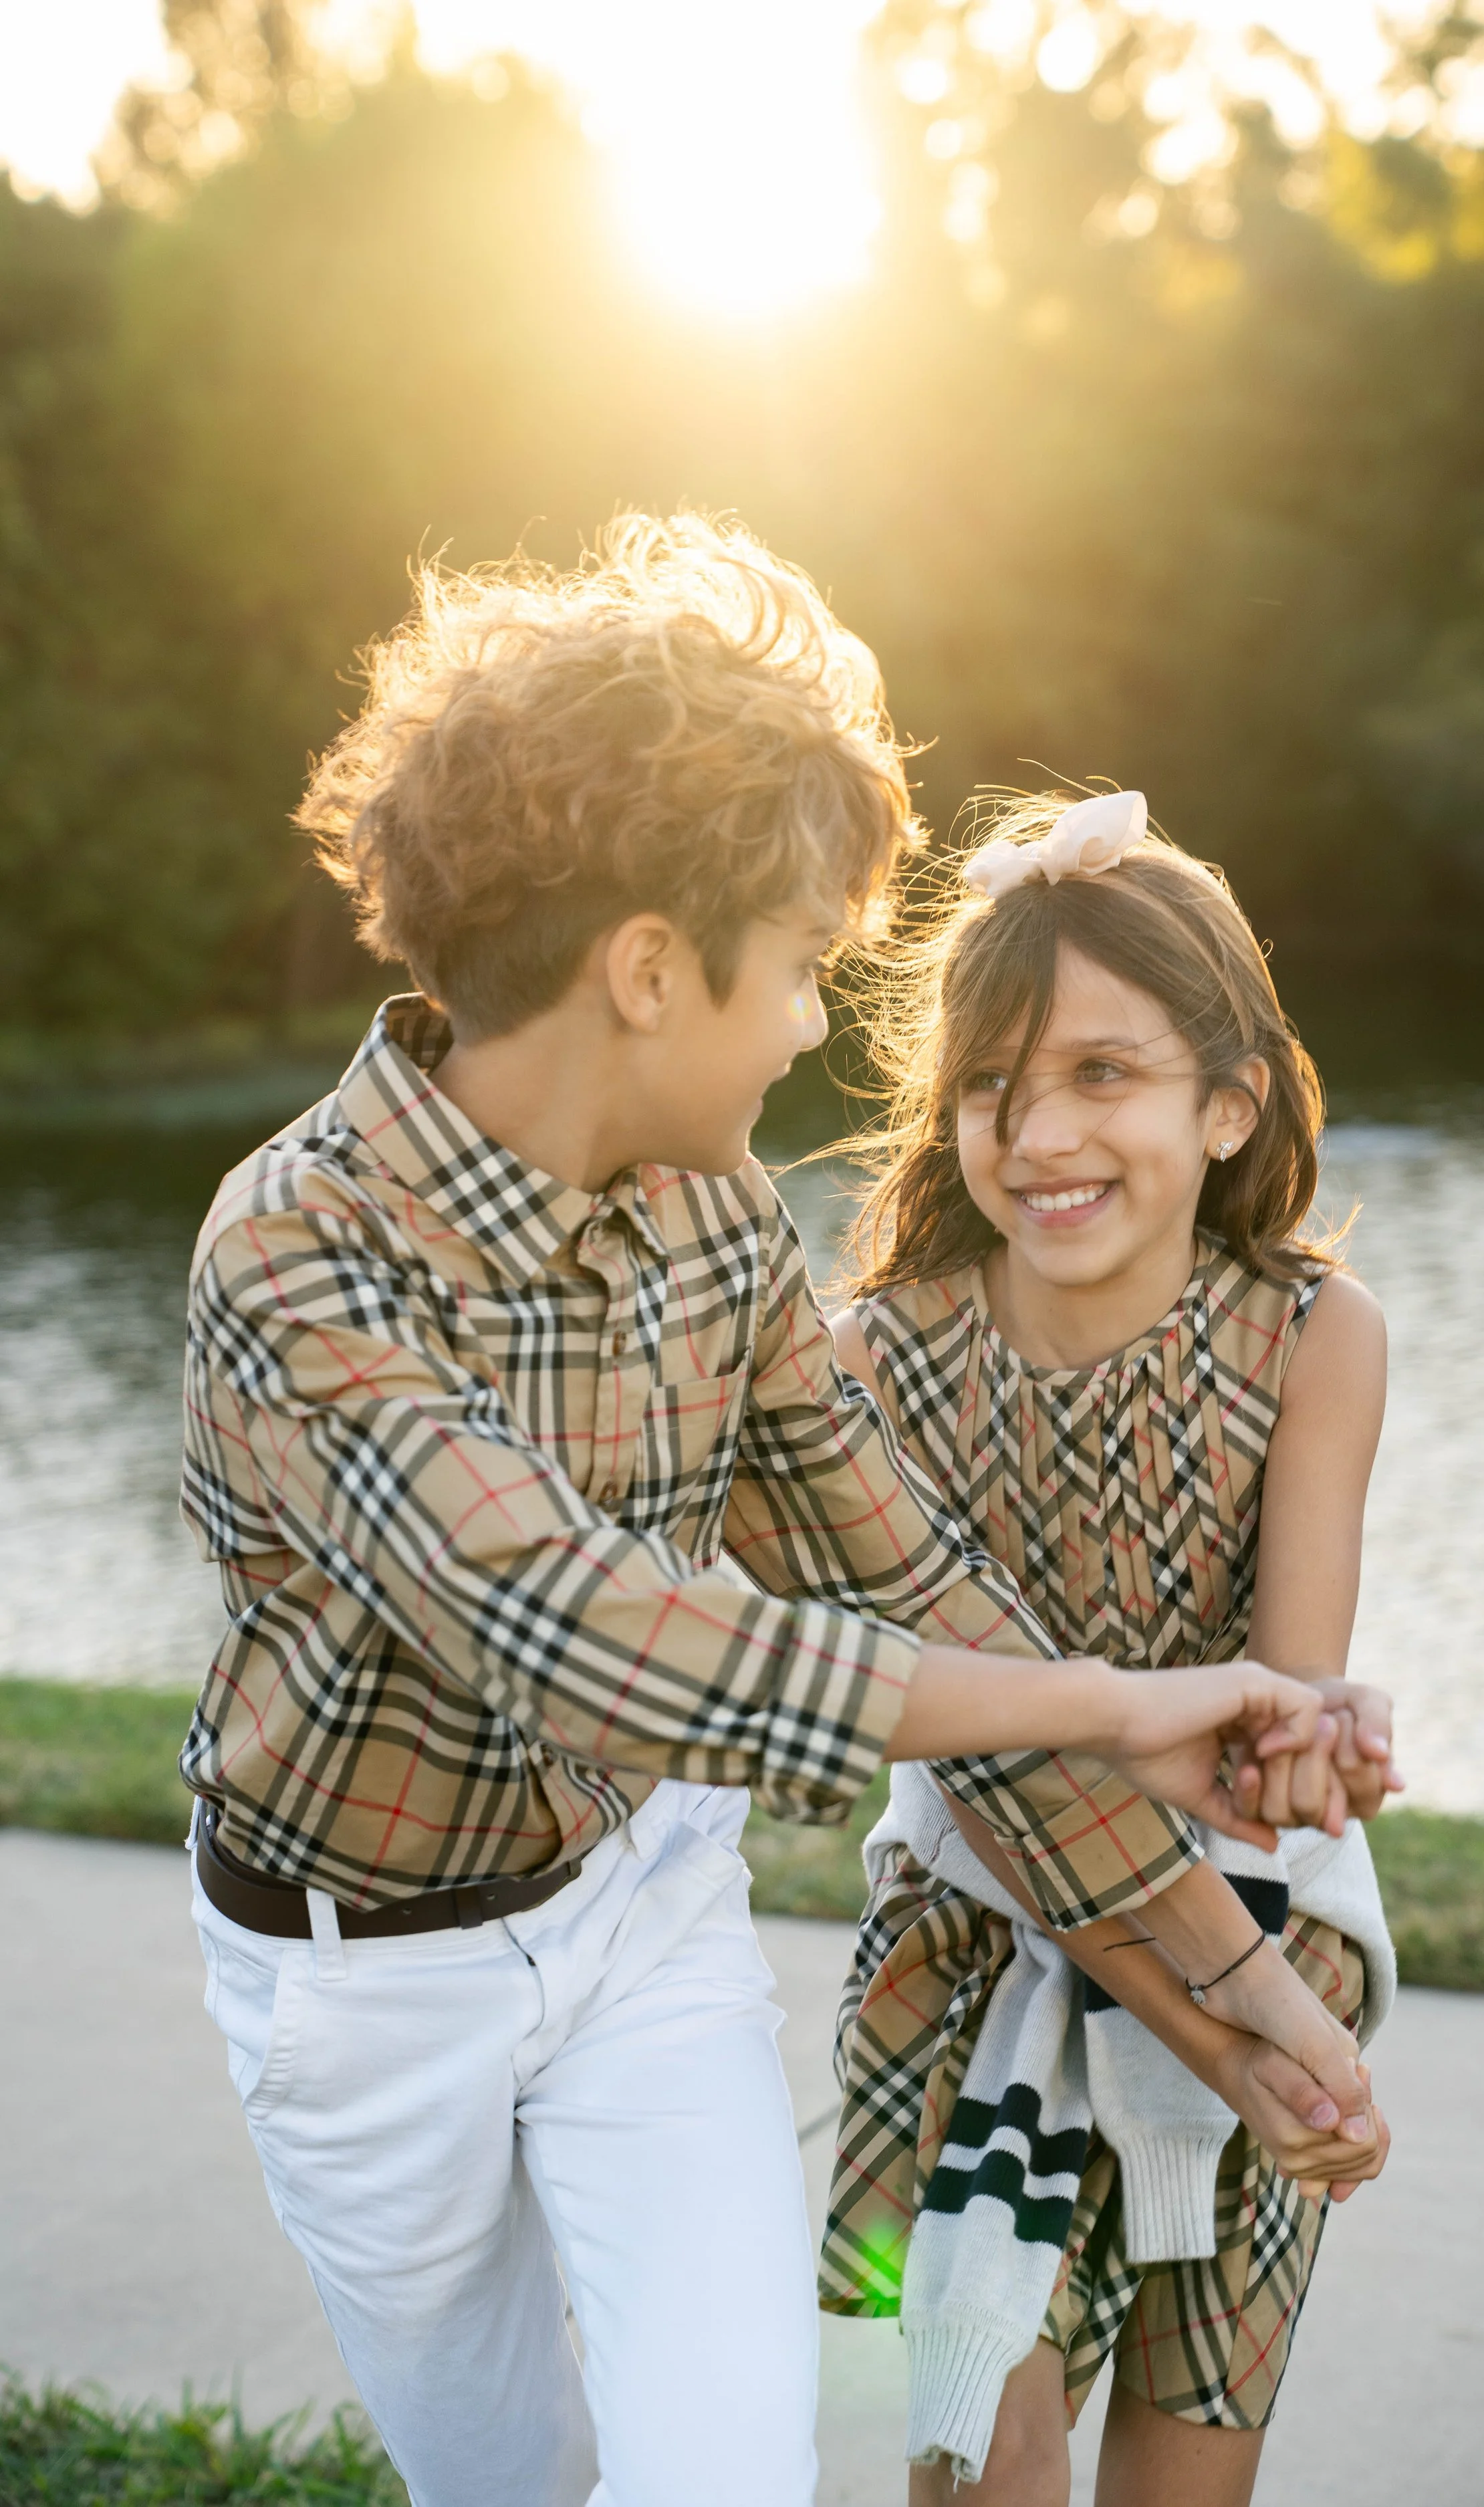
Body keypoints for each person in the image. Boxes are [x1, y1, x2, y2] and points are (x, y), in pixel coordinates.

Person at [178, 517, 1370, 2507]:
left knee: (721, 2469)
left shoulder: (716, 1223)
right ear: (649, 969)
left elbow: (921, 1593)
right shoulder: (300, 1256)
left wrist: (1241, 2001)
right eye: (806, 963)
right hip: (363, 1983)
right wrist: (1102, 1702)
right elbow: (598, 1628)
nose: (824, 1027)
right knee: (509, 2472)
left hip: (642, 1918)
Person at [820, 788, 1399, 2506]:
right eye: (989, 1083)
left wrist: (1317, 1749)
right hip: (973, 1970)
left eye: (1100, 1074)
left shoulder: (1312, 1336)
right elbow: (981, 1765)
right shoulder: (878, 1367)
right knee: (978, 2458)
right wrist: (1250, 2021)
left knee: (1188, 2457)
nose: (1036, 1130)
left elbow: (1269, 1748)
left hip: (1258, 1928)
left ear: (1225, 1106)